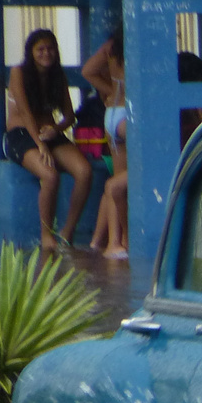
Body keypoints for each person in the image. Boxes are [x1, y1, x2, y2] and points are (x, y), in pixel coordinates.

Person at [4, 29, 93, 252]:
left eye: (50, 49)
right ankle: (47, 235)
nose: (46, 54)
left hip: (48, 134)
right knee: (50, 175)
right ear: (31, 52)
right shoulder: (19, 72)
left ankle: (67, 232)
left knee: (84, 171)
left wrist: (56, 129)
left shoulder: (58, 76)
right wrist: (41, 144)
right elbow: (25, 113)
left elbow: (70, 116)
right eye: (40, 49)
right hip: (21, 135)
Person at [82, 27, 128, 260]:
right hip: (128, 117)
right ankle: (121, 241)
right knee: (124, 183)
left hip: (111, 114)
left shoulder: (111, 47)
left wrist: (111, 90)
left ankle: (110, 242)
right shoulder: (139, 44)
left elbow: (88, 71)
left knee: (115, 183)